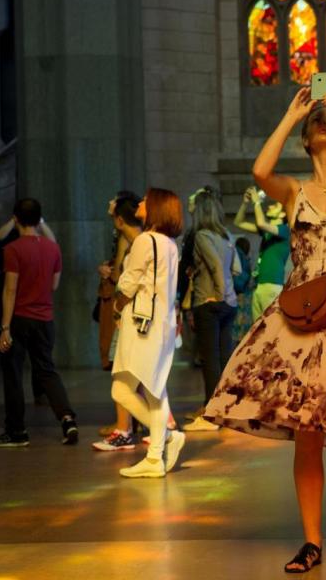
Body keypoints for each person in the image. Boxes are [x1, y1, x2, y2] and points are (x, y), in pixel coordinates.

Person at [204, 88, 326, 573]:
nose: (323, 125)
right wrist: (292, 115)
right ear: (308, 142)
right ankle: (311, 542)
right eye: (318, 125)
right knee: (307, 431)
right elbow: (259, 173)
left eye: (324, 123)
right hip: (305, 319)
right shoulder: (294, 191)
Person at [109, 188, 187, 477]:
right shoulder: (169, 243)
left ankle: (160, 447)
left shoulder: (145, 240)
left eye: (145, 200)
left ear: (155, 207)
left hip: (142, 323)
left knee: (128, 389)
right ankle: (160, 445)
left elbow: (129, 282)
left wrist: (117, 304)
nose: (141, 203)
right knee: (151, 389)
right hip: (160, 323)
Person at [0, 198, 78, 447]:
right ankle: (67, 419)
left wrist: (5, 328)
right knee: (47, 371)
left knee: (13, 374)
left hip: (19, 319)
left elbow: (10, 289)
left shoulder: (14, 249)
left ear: (16, 219)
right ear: (40, 219)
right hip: (45, 320)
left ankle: (17, 431)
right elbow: (54, 285)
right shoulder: (53, 248)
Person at [183, 189, 238, 432]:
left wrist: (217, 290)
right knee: (224, 357)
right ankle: (225, 409)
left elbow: (215, 265)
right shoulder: (226, 235)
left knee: (209, 358)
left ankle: (210, 412)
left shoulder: (202, 236)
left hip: (209, 301)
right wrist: (227, 293)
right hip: (230, 303)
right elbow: (235, 268)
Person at [92, 193, 143, 452]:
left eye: (112, 203)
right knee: (137, 374)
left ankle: (127, 429)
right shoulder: (149, 241)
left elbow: (126, 277)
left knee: (124, 372)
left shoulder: (138, 242)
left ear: (121, 218)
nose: (108, 205)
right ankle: (135, 426)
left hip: (132, 315)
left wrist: (118, 306)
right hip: (140, 316)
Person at [234, 186, 291, 319]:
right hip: (259, 286)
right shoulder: (267, 232)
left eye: (275, 205)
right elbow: (238, 222)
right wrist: (245, 203)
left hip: (272, 287)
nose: (270, 206)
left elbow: (261, 223)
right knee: (257, 331)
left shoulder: (285, 230)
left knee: (269, 330)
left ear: (283, 214)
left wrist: (256, 202)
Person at [231, 237, 254, 345]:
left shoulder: (236, 256)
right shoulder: (245, 258)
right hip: (244, 295)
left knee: (236, 324)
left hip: (235, 294)